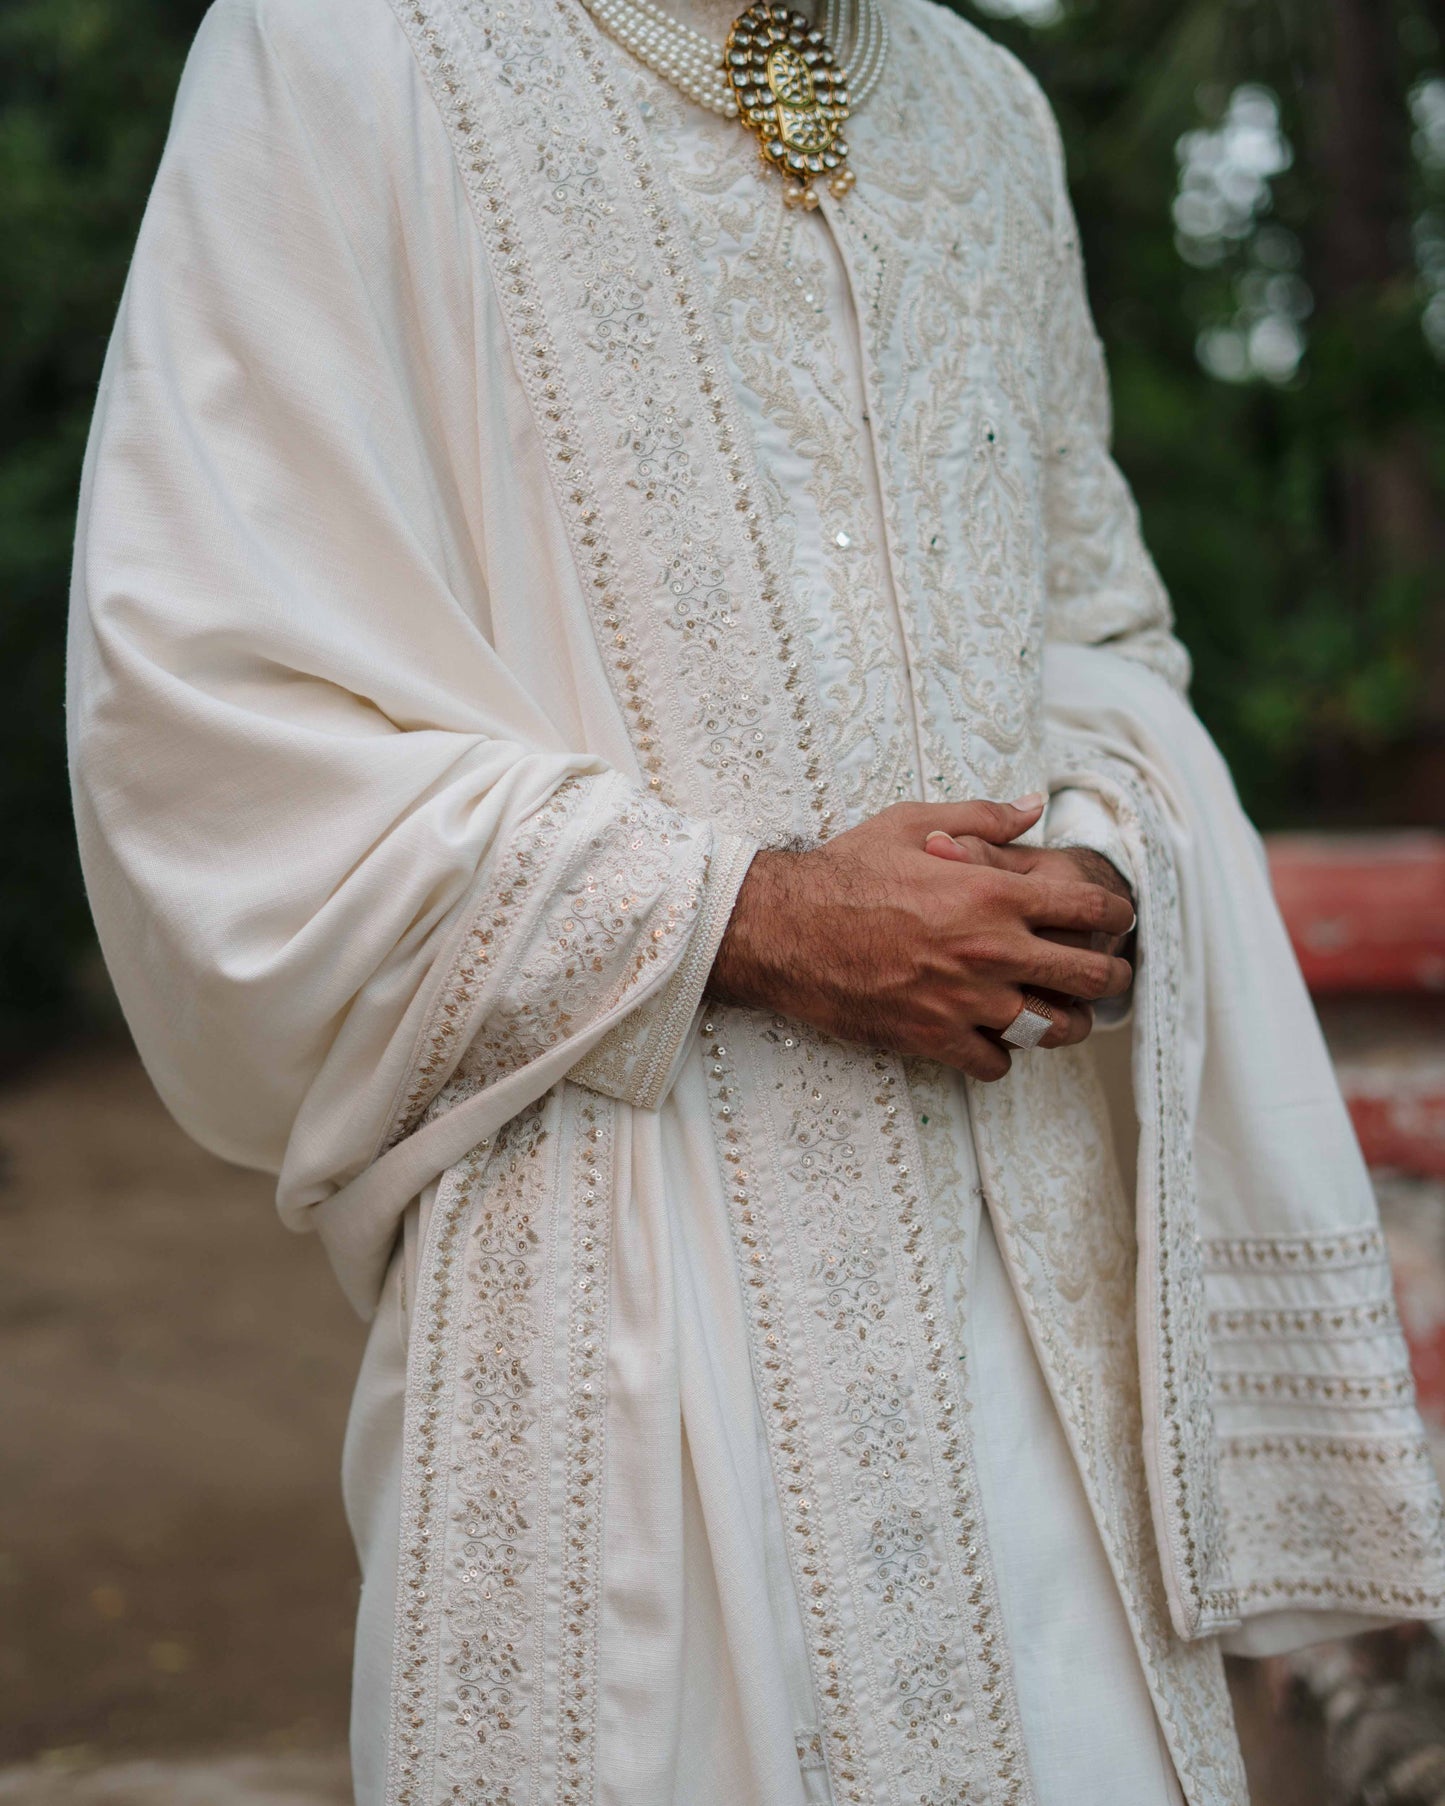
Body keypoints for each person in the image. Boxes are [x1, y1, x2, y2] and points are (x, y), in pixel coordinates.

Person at [66, 0, 1445, 1799]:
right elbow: (202, 716)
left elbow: (1100, 637)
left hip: (1028, 1288)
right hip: (614, 1299)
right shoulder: (345, 56)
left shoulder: (985, 111)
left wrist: (1105, 854)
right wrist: (758, 913)